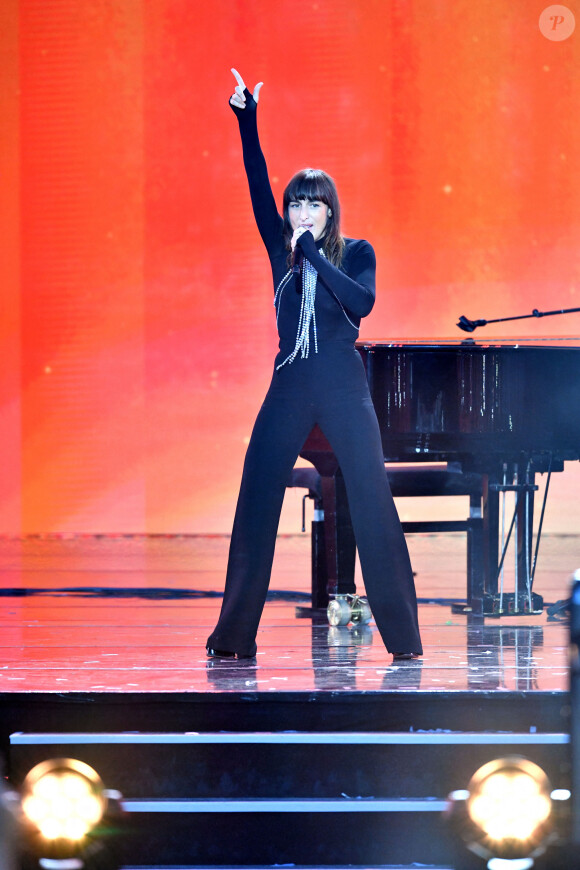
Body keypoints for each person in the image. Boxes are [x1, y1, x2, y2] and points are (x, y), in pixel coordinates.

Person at [206, 68, 423, 661]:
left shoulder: (356, 253)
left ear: (329, 210)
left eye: (313, 203)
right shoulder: (280, 248)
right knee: (256, 495)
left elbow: (361, 304)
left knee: (373, 499)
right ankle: (232, 636)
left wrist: (312, 257)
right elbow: (255, 182)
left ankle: (404, 639)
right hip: (292, 381)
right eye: (296, 203)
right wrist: (246, 119)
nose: (302, 211)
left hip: (344, 386)